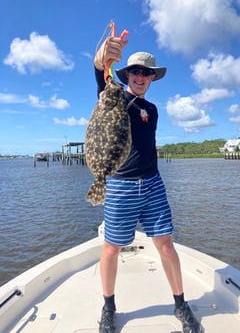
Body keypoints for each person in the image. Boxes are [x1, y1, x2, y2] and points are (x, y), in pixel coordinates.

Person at [94, 36, 203, 333]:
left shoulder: (152, 110)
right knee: (112, 249)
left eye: (146, 72)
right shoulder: (115, 99)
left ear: (152, 77)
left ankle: (181, 304)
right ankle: (109, 306)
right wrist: (105, 55)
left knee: (166, 244)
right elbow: (100, 74)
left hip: (153, 184)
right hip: (120, 186)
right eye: (135, 72)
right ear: (126, 74)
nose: (140, 77)